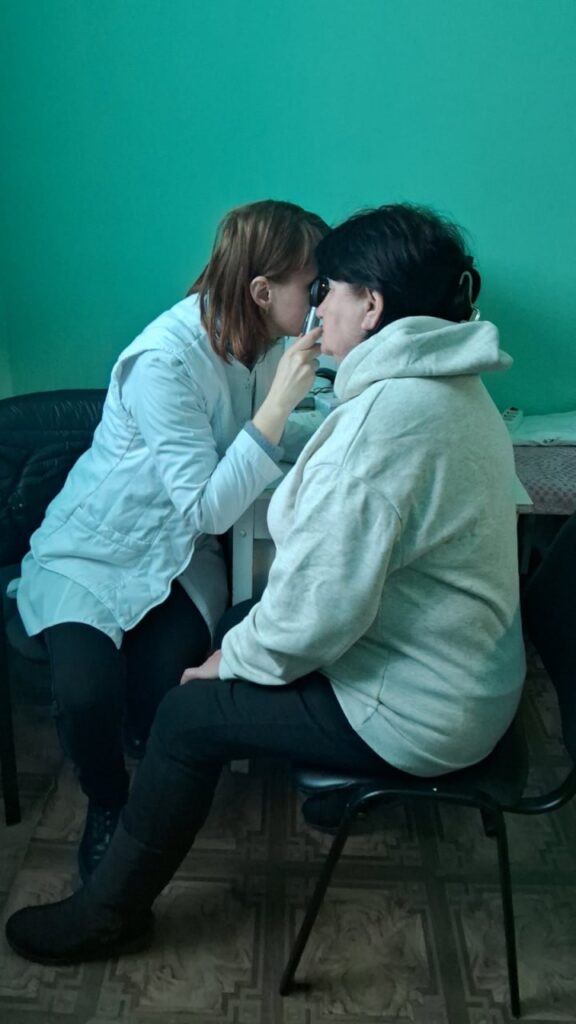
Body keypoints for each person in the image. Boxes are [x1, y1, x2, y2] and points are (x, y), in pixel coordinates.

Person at [6, 202, 526, 966]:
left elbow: (318, 612)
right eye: (311, 288)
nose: (318, 307)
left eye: (329, 289)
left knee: (188, 714)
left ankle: (108, 914)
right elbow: (301, 559)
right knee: (233, 628)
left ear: (371, 306)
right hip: (463, 673)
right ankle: (169, 798)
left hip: (424, 710)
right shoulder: (446, 383)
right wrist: (245, 642)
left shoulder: (386, 423)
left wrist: (231, 662)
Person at [13, 199, 328, 879]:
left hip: (177, 554)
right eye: (314, 285)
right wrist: (280, 404)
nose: (322, 302)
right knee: (86, 693)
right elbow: (211, 507)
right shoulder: (166, 359)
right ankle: (107, 804)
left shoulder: (259, 341)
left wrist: (327, 427)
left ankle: (147, 779)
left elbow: (244, 449)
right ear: (262, 291)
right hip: (96, 550)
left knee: (169, 693)